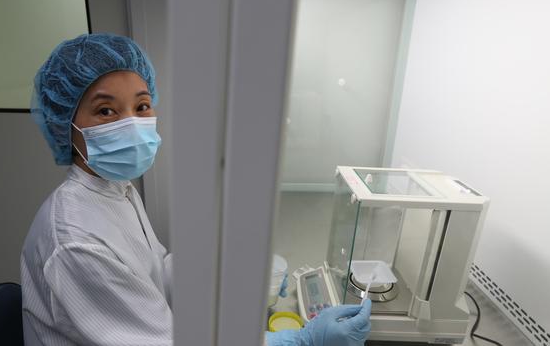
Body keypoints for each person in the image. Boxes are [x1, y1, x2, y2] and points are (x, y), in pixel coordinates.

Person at [21, 33, 371, 346]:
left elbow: (154, 271)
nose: (131, 123)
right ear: (65, 125)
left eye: (142, 106)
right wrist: (300, 340)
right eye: (106, 110)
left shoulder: (113, 189)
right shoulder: (75, 241)